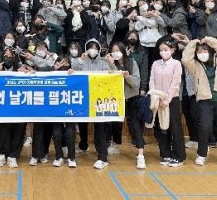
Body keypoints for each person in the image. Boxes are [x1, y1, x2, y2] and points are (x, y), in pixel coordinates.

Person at [181, 36, 217, 166]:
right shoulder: (195, 66)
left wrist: (208, 40)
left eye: (204, 50)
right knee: (204, 127)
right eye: (199, 52)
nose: (202, 53)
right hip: (205, 101)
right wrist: (194, 43)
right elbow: (185, 59)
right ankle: (201, 154)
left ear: (210, 51)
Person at [69, 38, 117, 170]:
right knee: (82, 124)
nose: (93, 50)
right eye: (91, 47)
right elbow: (73, 69)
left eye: (96, 48)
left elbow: (113, 74)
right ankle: (83, 145)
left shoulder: (103, 62)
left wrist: (112, 65)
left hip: (98, 99)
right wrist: (80, 60)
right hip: (84, 98)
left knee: (100, 128)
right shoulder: (82, 61)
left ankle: (102, 157)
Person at [149, 37, 185, 167]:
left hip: (171, 100)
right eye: (161, 50)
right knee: (161, 128)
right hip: (157, 99)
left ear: (172, 50)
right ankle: (165, 154)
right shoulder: (155, 64)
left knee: (175, 127)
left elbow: (175, 83)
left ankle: (178, 156)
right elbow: (152, 80)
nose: (163, 52)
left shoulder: (176, 64)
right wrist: (154, 95)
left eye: (165, 50)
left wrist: (167, 100)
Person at [111, 41, 145, 169]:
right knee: (114, 122)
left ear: (123, 51)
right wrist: (110, 64)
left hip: (131, 98)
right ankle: (114, 144)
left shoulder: (132, 63)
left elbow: (136, 83)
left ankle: (140, 154)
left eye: (117, 50)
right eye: (113, 51)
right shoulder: (110, 63)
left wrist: (127, 77)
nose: (115, 53)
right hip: (116, 99)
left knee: (135, 125)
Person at [0, 47, 27, 168]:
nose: (8, 58)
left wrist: (28, 72)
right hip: (3, 105)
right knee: (3, 130)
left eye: (10, 56)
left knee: (19, 130)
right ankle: (2, 154)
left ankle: (13, 156)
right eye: (5, 56)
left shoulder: (21, 67)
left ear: (14, 57)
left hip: (19, 105)